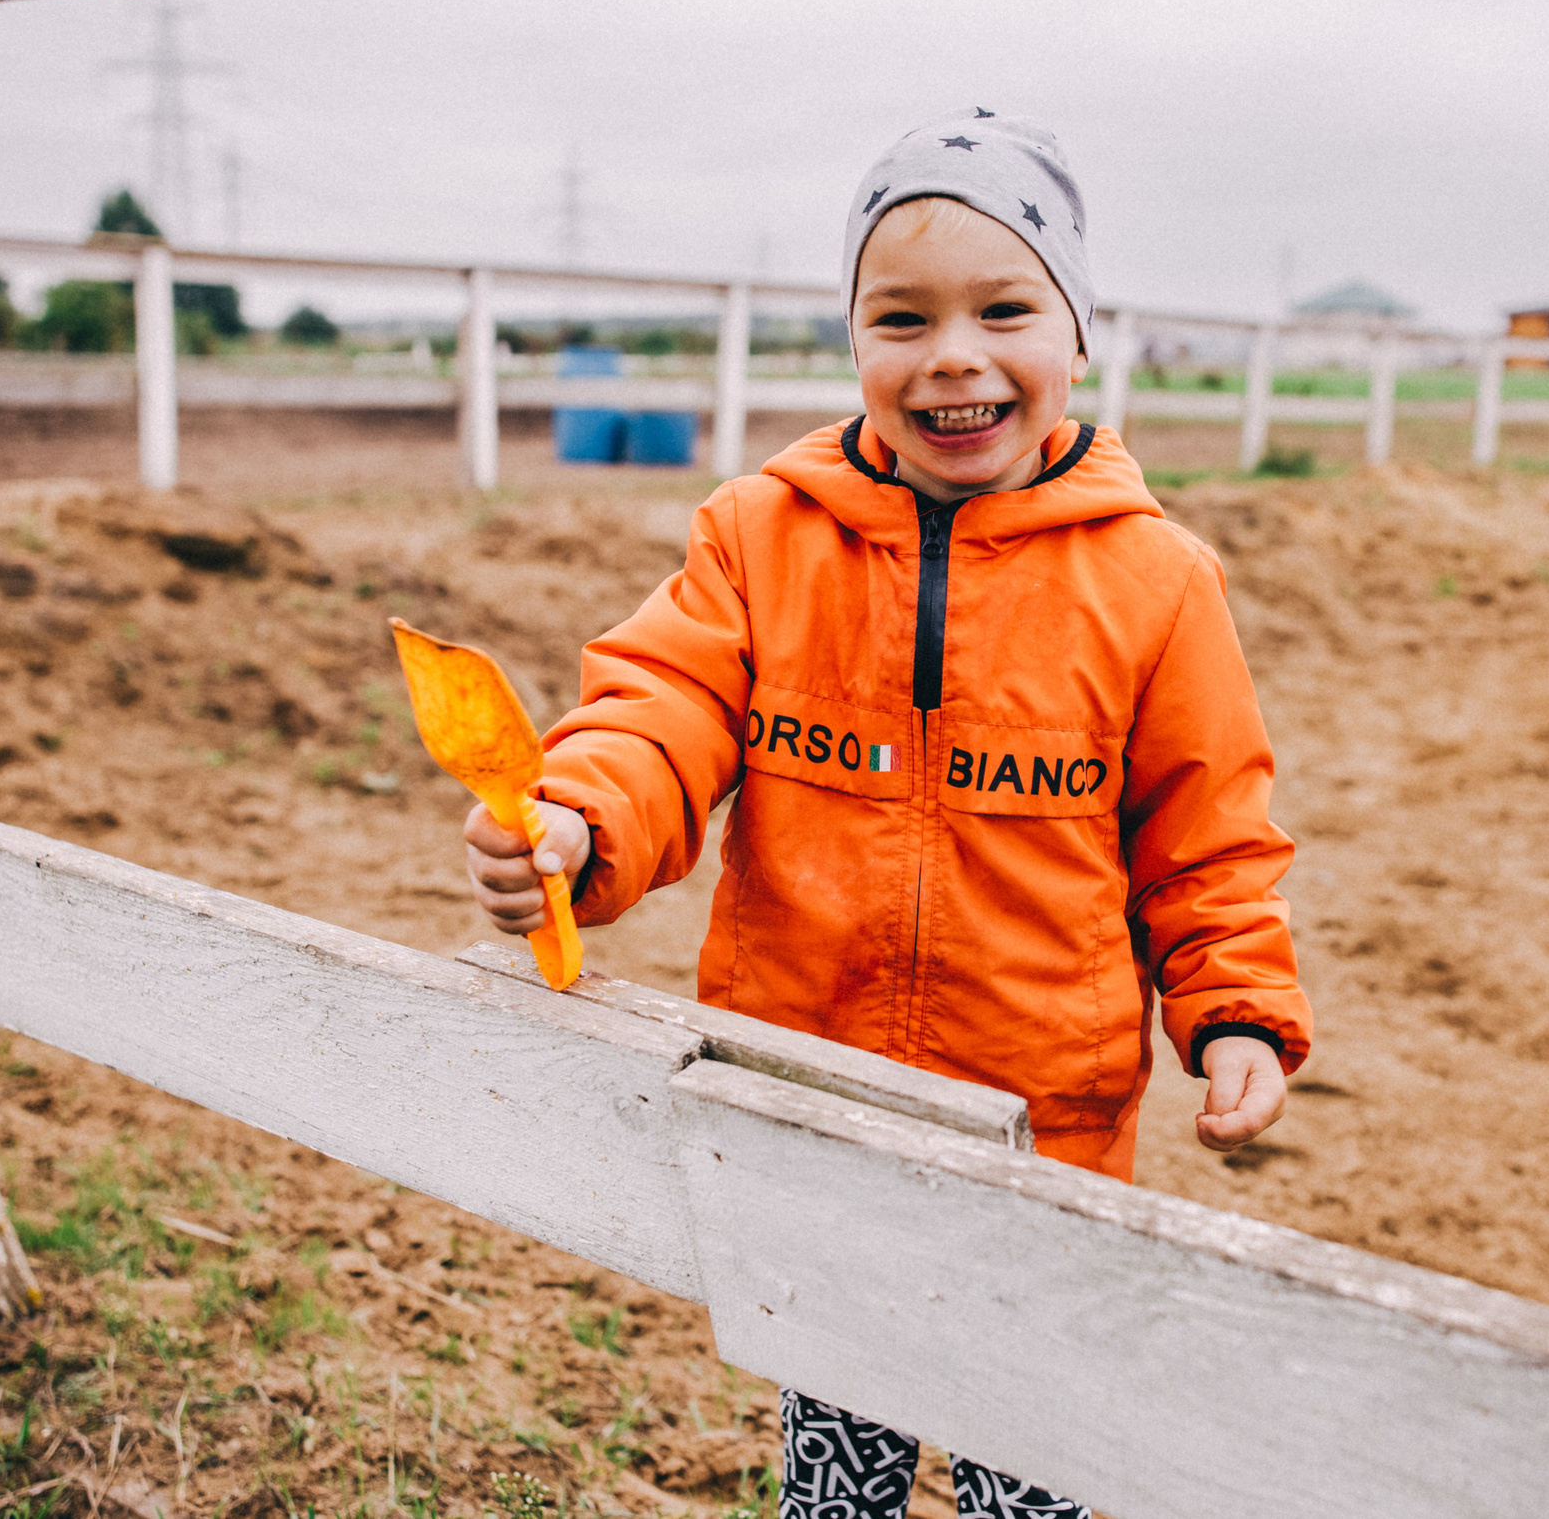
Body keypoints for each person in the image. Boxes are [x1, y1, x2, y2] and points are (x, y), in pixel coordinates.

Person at [464, 109, 1312, 1519]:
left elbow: (1208, 830)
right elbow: (661, 710)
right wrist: (578, 823)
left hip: (1042, 1119)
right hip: (811, 1089)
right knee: (837, 1452)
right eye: (902, 316)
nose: (955, 355)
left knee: (1024, 1462)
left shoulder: (1158, 583)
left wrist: (1232, 1010)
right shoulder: (761, 535)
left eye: (1004, 308)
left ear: (1077, 332)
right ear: (854, 340)